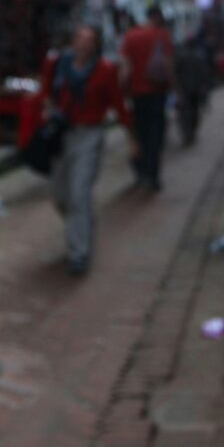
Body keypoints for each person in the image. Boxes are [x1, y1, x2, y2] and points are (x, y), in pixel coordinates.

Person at [47, 24, 133, 276]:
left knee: (79, 193)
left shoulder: (105, 70)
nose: (83, 44)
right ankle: (80, 226)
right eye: (79, 38)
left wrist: (130, 136)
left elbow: (117, 103)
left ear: (95, 44)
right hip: (63, 134)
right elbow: (47, 92)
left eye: (89, 40)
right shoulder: (58, 65)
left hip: (90, 134)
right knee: (60, 194)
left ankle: (79, 253)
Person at [120, 5, 175, 190]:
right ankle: (153, 174)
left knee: (140, 132)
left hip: (137, 93)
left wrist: (123, 90)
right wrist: (172, 85)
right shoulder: (163, 35)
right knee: (156, 134)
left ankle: (141, 171)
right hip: (158, 92)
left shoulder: (131, 36)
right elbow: (168, 65)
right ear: (159, 17)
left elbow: (125, 68)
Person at [174, 32, 212, 145]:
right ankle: (190, 133)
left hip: (186, 90)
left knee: (185, 114)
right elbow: (205, 75)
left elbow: (175, 74)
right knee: (193, 113)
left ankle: (188, 134)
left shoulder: (181, 56)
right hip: (194, 91)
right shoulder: (199, 57)